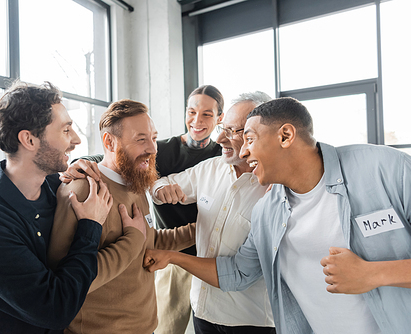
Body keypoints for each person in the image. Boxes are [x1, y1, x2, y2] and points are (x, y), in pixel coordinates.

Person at [144, 97, 411, 334]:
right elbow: (237, 272)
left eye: (248, 138)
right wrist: (172, 257)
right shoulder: (268, 210)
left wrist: (373, 273)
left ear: (285, 136)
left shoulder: (386, 169)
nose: (244, 151)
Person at [0, 81, 114, 334]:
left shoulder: (58, 188)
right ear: (29, 139)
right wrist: (90, 226)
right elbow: (55, 309)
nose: (76, 139)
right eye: (66, 130)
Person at [63, 85, 224, 334]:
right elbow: (71, 279)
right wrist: (79, 163)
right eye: (142, 139)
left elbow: (151, 239)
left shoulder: (137, 183)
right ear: (109, 141)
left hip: (145, 324)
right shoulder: (84, 191)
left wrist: (209, 226)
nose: (153, 148)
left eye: (153, 137)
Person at [151, 92, 275, 334]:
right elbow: (160, 184)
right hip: (204, 310)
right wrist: (162, 189)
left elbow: (243, 271)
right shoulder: (211, 168)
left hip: (249, 320)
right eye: (223, 129)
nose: (219, 138)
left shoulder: (276, 188)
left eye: (232, 131)